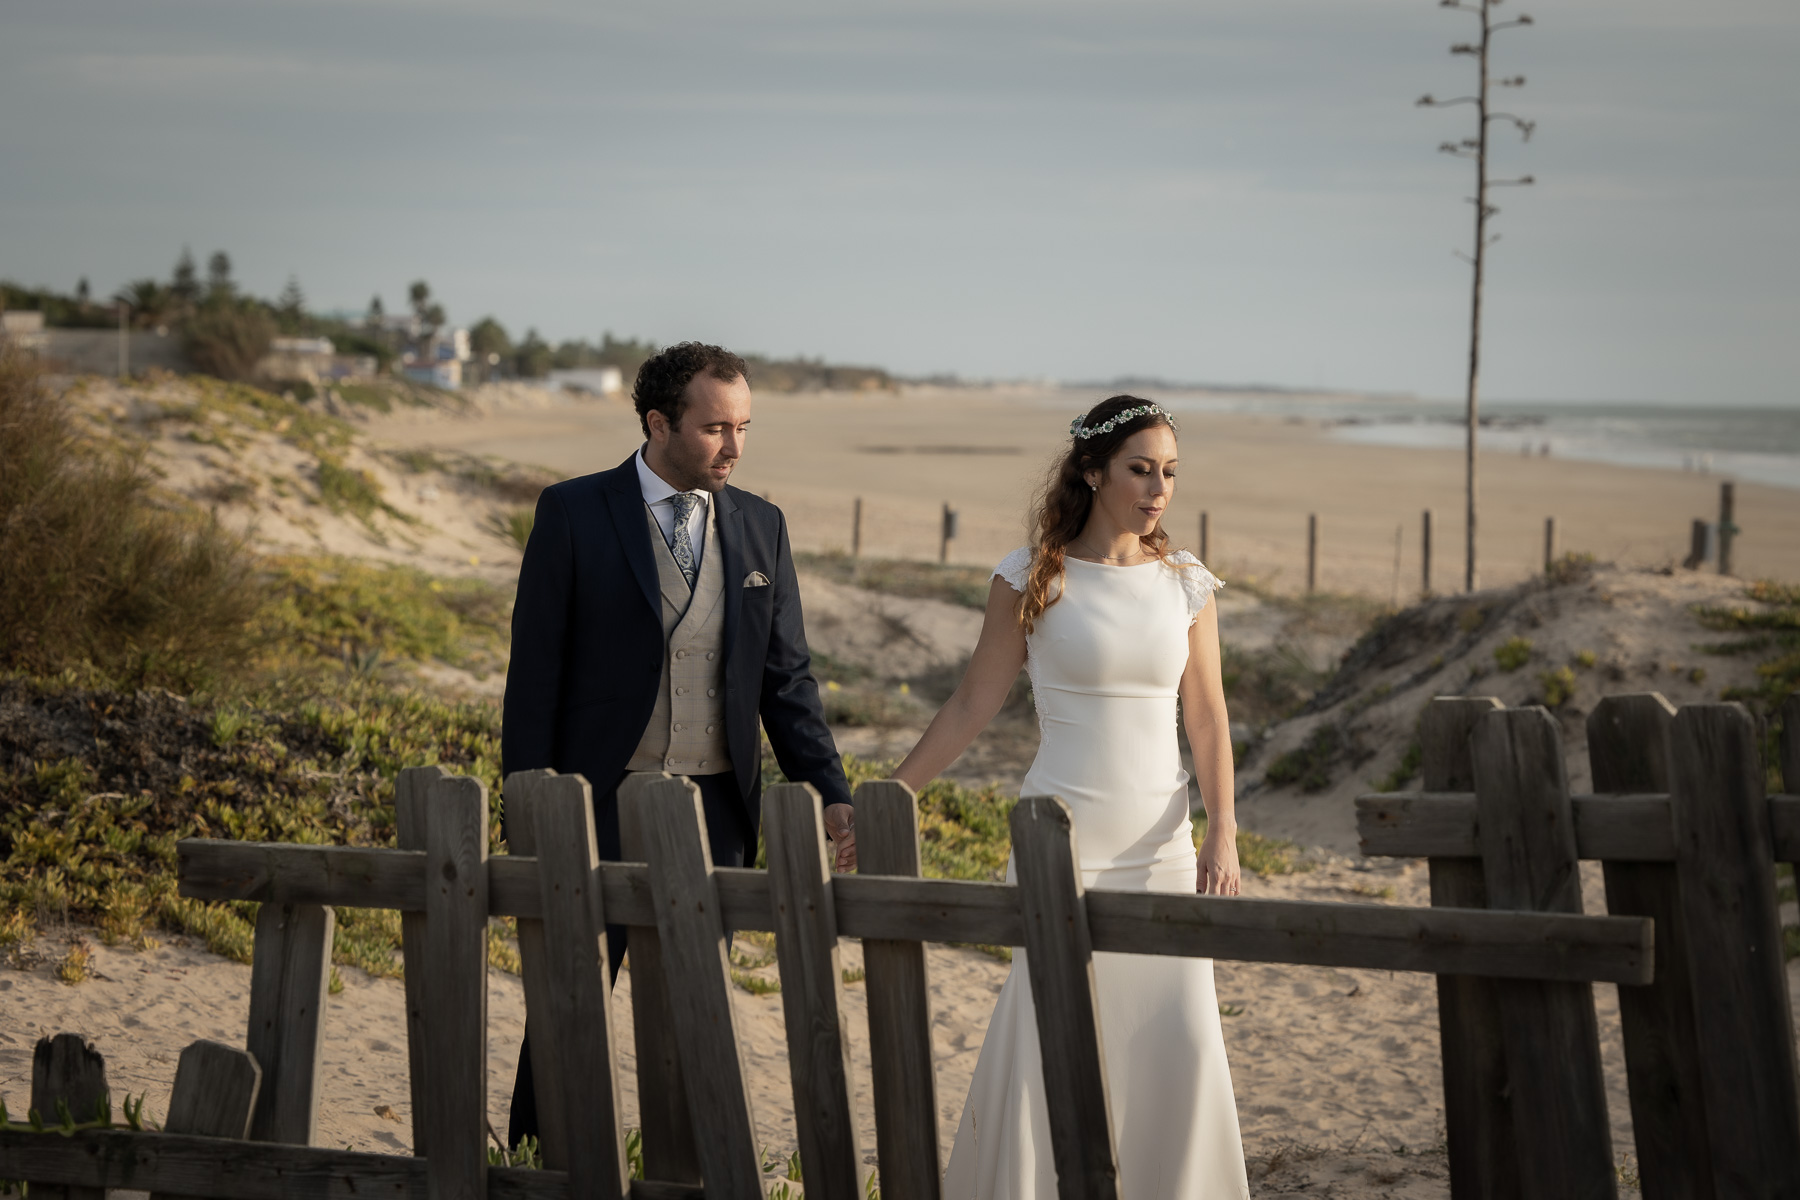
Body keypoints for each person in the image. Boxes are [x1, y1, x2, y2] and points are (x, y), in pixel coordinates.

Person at [499, 341, 855, 1148]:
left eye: (744, 427)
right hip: (600, 800)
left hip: (717, 806)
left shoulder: (763, 525)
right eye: (714, 428)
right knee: (571, 997)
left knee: (700, 1000)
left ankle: (691, 1166)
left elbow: (787, 681)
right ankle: (535, 1160)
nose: (733, 447)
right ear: (658, 423)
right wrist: (527, 801)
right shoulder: (574, 511)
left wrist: (830, 792)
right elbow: (535, 674)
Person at [894, 395, 1249, 1198]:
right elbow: (969, 705)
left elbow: (1208, 716)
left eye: (1169, 472)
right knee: (1052, 1030)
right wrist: (893, 795)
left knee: (1178, 1032)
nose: (1159, 488)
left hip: (1162, 848)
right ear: (1092, 471)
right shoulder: (1029, 576)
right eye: (1140, 469)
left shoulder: (1187, 583)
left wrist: (1223, 831)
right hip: (1061, 843)